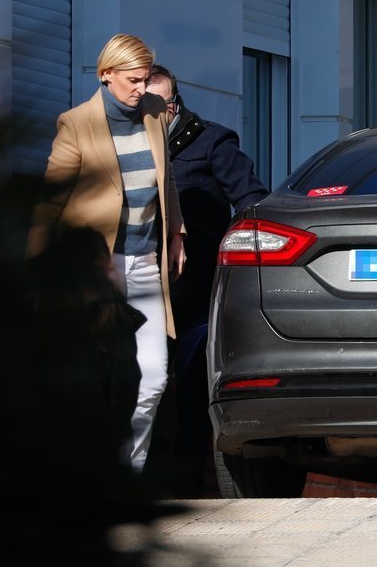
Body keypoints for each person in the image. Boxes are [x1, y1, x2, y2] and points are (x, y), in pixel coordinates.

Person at [28, 33, 186, 473]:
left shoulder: (154, 112)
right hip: (100, 268)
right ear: (106, 76)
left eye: (145, 80)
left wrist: (177, 235)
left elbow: (165, 176)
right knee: (104, 376)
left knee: (153, 377)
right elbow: (50, 202)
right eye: (133, 81)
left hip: (145, 262)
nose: (141, 89)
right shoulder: (76, 123)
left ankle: (126, 478)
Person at [146, 64, 268, 496]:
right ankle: (148, 474)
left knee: (196, 380)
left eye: (156, 103)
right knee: (146, 380)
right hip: (142, 284)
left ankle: (184, 477)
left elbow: (252, 202)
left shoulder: (212, 141)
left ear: (174, 104)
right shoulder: (125, 144)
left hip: (197, 287)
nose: (147, 111)